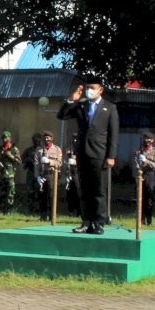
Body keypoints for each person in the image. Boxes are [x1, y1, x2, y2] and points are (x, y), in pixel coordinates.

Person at [57, 75, 119, 235]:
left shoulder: (110, 108)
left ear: (100, 90)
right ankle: (86, 222)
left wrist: (111, 156)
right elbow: (62, 115)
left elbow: (114, 134)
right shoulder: (81, 106)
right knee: (84, 189)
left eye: (93, 88)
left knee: (99, 190)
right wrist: (72, 100)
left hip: (100, 154)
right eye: (87, 88)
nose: (89, 91)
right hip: (82, 153)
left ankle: (99, 223)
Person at [132, 131, 155, 226]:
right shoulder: (138, 151)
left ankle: (149, 220)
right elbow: (135, 163)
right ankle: (141, 219)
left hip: (150, 175)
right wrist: (137, 167)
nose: (146, 140)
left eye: (148, 139)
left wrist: (146, 161)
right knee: (140, 198)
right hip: (141, 175)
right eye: (144, 138)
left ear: (152, 140)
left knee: (149, 198)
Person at [33, 130, 63, 222]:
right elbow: (36, 164)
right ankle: (43, 216)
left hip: (52, 174)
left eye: (48, 137)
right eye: (45, 138)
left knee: (51, 195)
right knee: (42, 196)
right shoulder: (39, 150)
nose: (46, 139)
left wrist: (49, 161)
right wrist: (37, 176)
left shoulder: (57, 149)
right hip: (42, 174)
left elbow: (59, 163)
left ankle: (52, 216)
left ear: (51, 138)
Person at [0, 131, 22, 215]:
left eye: (6, 137)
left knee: (10, 193)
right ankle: (2, 210)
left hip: (10, 175)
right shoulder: (0, 149)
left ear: (10, 139)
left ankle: (8, 210)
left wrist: (10, 155)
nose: (4, 139)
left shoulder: (14, 149)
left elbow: (19, 162)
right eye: (3, 137)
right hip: (1, 174)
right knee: (1, 193)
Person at [22, 133, 43, 214]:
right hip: (31, 173)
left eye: (38, 140)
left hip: (40, 173)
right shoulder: (28, 150)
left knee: (40, 192)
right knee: (30, 192)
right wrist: (28, 160)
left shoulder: (43, 150)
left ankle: (39, 210)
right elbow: (23, 162)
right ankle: (31, 209)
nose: (36, 142)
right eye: (35, 140)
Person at [63, 132, 81, 217]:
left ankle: (79, 211)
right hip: (70, 172)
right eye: (73, 138)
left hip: (78, 172)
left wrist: (76, 162)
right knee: (70, 192)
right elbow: (64, 161)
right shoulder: (69, 148)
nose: (75, 140)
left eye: (76, 138)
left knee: (78, 191)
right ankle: (71, 211)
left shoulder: (82, 148)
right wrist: (67, 163)